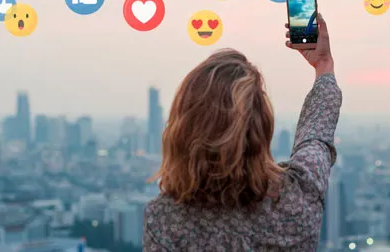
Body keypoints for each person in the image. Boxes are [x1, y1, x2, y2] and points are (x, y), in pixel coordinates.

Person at [144, 14, 342, 251]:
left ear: (184, 129)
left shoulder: (166, 220)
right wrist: (323, 64)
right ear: (262, 127)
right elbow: (316, 136)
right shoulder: (297, 198)